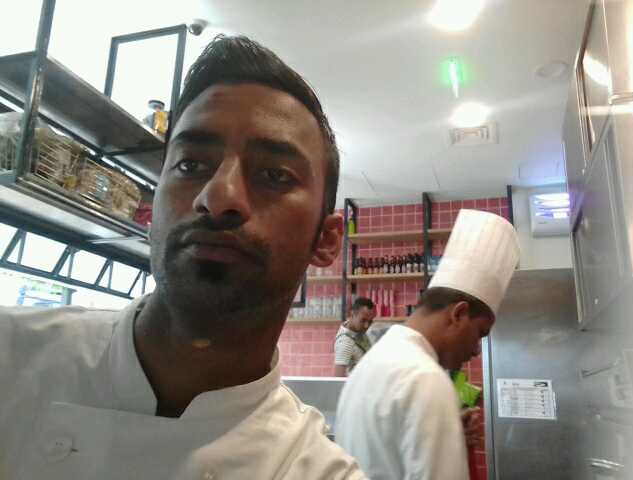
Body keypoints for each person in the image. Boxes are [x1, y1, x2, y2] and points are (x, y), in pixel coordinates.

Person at [0, 35, 366, 479]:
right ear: (151, 209)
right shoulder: (10, 357)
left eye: (273, 175)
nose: (218, 196)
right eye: (190, 165)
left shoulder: (318, 471)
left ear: (325, 240)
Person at [335, 209, 520, 480]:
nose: (476, 350)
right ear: (458, 314)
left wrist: (447, 433)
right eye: (480, 333)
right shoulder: (427, 379)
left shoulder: (373, 362)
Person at [334, 297, 376, 376]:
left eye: (370, 321)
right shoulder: (345, 342)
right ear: (352, 314)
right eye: (363, 320)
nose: (366, 326)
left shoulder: (357, 331)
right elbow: (338, 377)